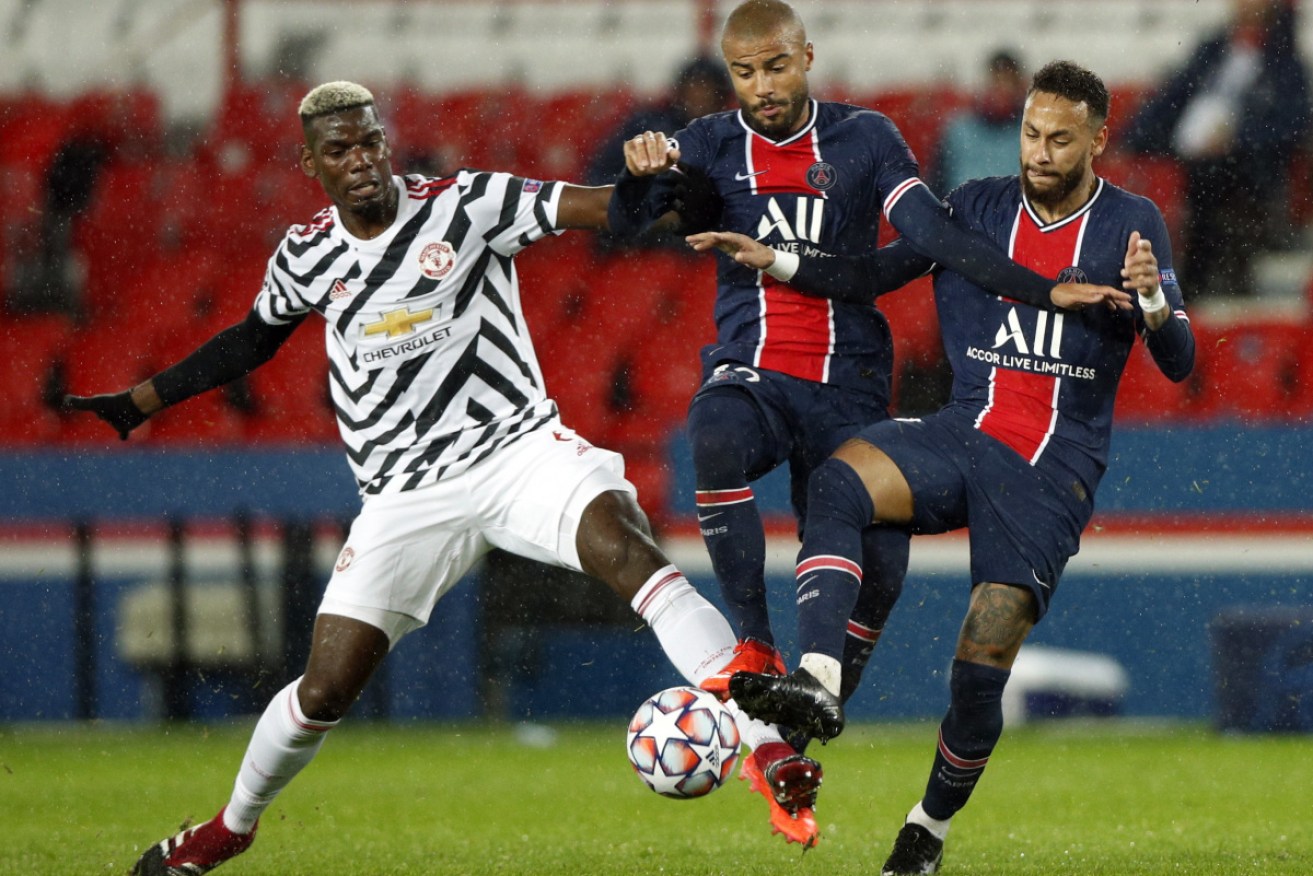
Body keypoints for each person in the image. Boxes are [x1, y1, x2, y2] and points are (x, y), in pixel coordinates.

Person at [62, 80, 801, 875]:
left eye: (370, 141)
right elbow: (252, 340)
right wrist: (143, 398)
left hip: (518, 453)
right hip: (404, 495)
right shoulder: (306, 253)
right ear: (312, 165)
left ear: (387, 142)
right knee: (324, 691)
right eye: (339, 149)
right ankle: (227, 830)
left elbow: (603, 212)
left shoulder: (467, 202)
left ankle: (766, 751)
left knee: (630, 553)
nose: (361, 160)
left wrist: (649, 179)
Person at [609, 0, 1128, 843]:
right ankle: (749, 647)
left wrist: (1042, 290)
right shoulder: (703, 143)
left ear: (806, 55)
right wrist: (636, 173)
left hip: (851, 389)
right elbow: (628, 224)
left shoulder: (866, 139)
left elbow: (927, 237)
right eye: (744, 73)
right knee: (712, 437)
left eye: (776, 67)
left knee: (868, 597)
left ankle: (784, 760)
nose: (762, 87)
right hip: (759, 371)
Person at [719, 61, 1195, 874]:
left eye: (1058, 139)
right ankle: (820, 676)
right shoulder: (973, 206)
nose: (1038, 151)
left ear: (1097, 140)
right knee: (839, 477)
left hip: (1050, 469)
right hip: (959, 431)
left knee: (976, 674)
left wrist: (1151, 303)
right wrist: (781, 262)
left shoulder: (1130, 223)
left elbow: (1179, 360)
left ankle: (926, 829)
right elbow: (874, 274)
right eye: (1030, 133)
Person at [1124, 0, 1309, 299]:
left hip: (1241, 169)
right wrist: (1130, 137)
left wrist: (1235, 138)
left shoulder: (1285, 62)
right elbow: (1173, 95)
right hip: (1188, 153)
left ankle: (1191, 283)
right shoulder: (1212, 49)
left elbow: (1289, 125)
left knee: (1207, 182)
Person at [585, 55, 731, 251]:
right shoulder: (648, 126)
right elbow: (598, 178)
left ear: (721, 95)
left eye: (708, 90)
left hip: (700, 243)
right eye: (695, 88)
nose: (700, 96)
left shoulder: (731, 135)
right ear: (680, 91)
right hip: (642, 240)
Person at [930, 49, 1028, 195]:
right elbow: (936, 183)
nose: (1002, 90)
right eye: (997, 81)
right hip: (964, 215)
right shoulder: (958, 131)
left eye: (1008, 83)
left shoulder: (1032, 132)